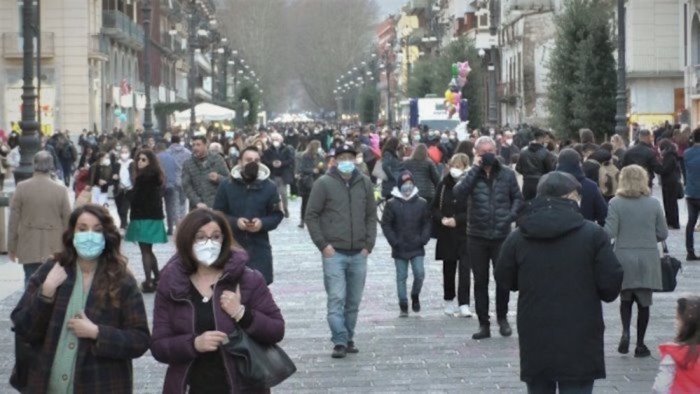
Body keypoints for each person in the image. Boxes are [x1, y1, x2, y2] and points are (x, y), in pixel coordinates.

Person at [495, 171, 623, 394]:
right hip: (581, 331)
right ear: (572, 196)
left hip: (535, 329)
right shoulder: (593, 234)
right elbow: (610, 285)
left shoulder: (519, 236)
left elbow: (504, 278)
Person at [10, 204, 150, 392]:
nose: (89, 235)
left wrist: (98, 332)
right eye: (82, 229)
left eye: (97, 230)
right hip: (46, 386)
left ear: (107, 236)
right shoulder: (53, 269)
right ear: (72, 233)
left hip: (101, 385)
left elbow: (139, 340)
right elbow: (23, 327)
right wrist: (46, 292)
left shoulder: (122, 280)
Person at [151, 208, 284, 393]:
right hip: (192, 386)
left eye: (215, 237)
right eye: (200, 237)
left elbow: (276, 330)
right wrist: (194, 344)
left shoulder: (248, 279)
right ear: (187, 240)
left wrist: (241, 313)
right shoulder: (172, 285)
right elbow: (159, 346)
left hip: (244, 386)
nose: (209, 243)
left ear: (224, 239)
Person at [305, 144, 377, 359]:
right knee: (336, 298)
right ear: (335, 161)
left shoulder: (364, 182)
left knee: (353, 301)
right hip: (334, 252)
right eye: (342, 157)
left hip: (359, 252)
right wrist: (323, 244)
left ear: (356, 160)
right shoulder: (324, 183)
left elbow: (371, 215)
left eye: (350, 157)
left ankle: (349, 337)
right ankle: (339, 340)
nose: (347, 161)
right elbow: (312, 215)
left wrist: (368, 244)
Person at [453, 136, 523, 340]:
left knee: (503, 278)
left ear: (496, 150)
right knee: (480, 280)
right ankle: (484, 323)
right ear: (476, 153)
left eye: (490, 151)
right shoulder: (471, 174)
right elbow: (459, 194)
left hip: (501, 235)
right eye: (482, 152)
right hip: (477, 235)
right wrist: (474, 169)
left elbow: (518, 199)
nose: (487, 155)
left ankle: (503, 318)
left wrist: (508, 218)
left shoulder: (507, 174)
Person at [604, 164, 668, 358]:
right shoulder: (654, 203)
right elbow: (662, 233)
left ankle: (625, 332)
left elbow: (610, 232)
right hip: (647, 256)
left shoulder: (615, 203)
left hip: (623, 256)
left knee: (625, 299)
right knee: (644, 303)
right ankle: (640, 344)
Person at [213, 146, 284, 285]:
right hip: (232, 248)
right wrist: (235, 222)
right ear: (240, 162)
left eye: (256, 160)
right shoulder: (226, 185)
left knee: (259, 294)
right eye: (248, 160)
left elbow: (277, 215)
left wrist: (262, 223)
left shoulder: (270, 187)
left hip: (259, 248)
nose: (253, 163)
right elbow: (217, 214)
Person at [8, 151, 72, 286]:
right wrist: (68, 247)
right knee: (53, 282)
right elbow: (68, 221)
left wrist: (12, 247)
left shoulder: (21, 187)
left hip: (29, 244)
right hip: (55, 245)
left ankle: (30, 307)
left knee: (30, 281)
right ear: (51, 166)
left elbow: (13, 221)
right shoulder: (60, 190)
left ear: (34, 165)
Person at [381, 171, 431, 317]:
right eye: (404, 184)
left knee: (419, 273)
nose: (407, 187)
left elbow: (427, 223)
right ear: (399, 186)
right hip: (399, 246)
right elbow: (386, 224)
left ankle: (415, 294)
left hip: (417, 246)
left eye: (410, 184)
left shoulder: (422, 203)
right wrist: (394, 241)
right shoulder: (392, 204)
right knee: (401, 276)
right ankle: (403, 304)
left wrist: (423, 239)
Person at [433, 153, 472, 317]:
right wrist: (442, 219)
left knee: (465, 268)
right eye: (453, 166)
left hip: (464, 232)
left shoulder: (470, 184)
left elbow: (474, 209)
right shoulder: (443, 185)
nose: (455, 169)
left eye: (459, 166)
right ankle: (449, 299)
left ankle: (464, 303)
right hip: (446, 232)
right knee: (448, 268)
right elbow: (434, 207)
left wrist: (458, 219)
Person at [125, 149, 168, 293]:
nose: (139, 162)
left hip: (142, 217)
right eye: (138, 159)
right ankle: (158, 277)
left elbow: (137, 199)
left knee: (145, 251)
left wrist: (128, 194)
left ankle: (149, 282)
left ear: (150, 162)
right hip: (153, 217)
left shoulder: (143, 178)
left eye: (143, 160)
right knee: (148, 250)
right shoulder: (156, 177)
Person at [653, 296, 700, 394]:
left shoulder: (674, 354)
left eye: (677, 319)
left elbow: (661, 388)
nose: (675, 323)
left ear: (686, 324)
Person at [556, 149, 608, 226]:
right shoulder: (591, 186)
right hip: (585, 231)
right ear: (579, 164)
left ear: (558, 164)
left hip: (557, 232)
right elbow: (603, 214)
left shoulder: (549, 184)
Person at [182, 135, 229, 210]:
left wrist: (218, 178)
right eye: (193, 145)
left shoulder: (217, 159)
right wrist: (197, 202)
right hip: (197, 207)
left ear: (205, 145)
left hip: (216, 205)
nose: (195, 148)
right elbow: (186, 185)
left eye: (198, 144)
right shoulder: (187, 164)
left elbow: (228, 180)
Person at [515, 128, 556, 200]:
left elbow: (518, 168)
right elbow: (551, 170)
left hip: (527, 184)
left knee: (527, 206)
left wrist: (526, 173)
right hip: (541, 183)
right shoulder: (546, 153)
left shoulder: (523, 152)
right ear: (542, 138)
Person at [262, 132, 295, 218]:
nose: (275, 141)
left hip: (282, 175)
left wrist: (282, 163)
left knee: (283, 193)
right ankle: (275, 209)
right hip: (273, 174)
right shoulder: (268, 150)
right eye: (273, 140)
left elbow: (291, 160)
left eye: (277, 139)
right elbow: (265, 160)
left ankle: (285, 208)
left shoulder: (287, 149)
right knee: (273, 194)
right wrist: (271, 163)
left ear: (281, 140)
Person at [295, 140, 325, 229]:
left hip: (318, 181)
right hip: (307, 182)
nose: (320, 148)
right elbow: (302, 168)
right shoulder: (305, 156)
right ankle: (302, 220)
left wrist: (322, 168)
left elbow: (323, 169)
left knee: (318, 202)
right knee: (305, 202)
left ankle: (315, 220)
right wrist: (312, 170)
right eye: (319, 146)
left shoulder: (320, 157)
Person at [658, 139, 682, 229]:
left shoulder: (669, 156)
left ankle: (672, 223)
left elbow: (665, 169)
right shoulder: (672, 155)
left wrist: (658, 166)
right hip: (672, 181)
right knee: (671, 203)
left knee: (670, 203)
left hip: (669, 182)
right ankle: (672, 222)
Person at [157, 142, 180, 235]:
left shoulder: (156, 157)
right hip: (171, 185)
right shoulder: (171, 157)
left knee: (158, 207)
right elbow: (177, 168)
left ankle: (160, 228)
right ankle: (170, 228)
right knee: (170, 208)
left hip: (159, 185)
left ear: (157, 148)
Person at [167, 135, 192, 221]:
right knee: (183, 201)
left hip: (173, 179)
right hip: (184, 179)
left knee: (175, 201)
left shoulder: (168, 152)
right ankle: (183, 218)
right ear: (179, 141)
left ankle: (177, 220)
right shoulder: (187, 152)